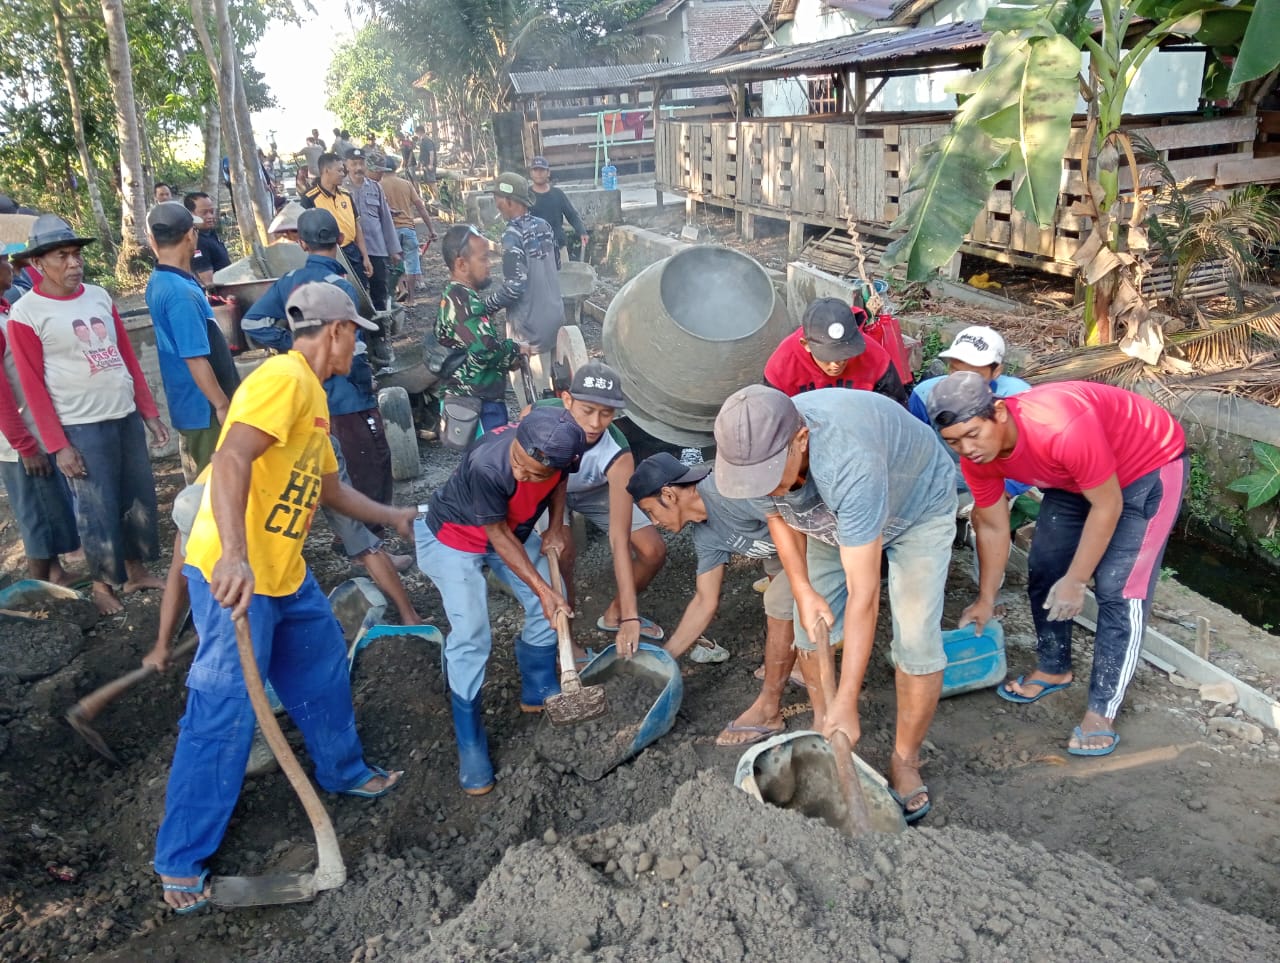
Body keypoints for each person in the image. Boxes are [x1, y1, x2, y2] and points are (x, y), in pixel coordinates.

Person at [153, 282, 408, 914]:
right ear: (337, 332)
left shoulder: (313, 400)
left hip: (284, 573)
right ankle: (180, 863)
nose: (359, 349)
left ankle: (344, 772)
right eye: (357, 336)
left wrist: (391, 515)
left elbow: (328, 491)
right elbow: (234, 456)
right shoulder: (283, 380)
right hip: (234, 576)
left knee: (321, 670)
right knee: (223, 712)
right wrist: (236, 557)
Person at [713, 385, 958, 823]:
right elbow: (777, 515)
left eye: (771, 473)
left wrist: (850, 696)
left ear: (801, 440)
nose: (762, 486)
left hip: (915, 505)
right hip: (828, 517)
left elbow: (865, 594)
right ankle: (828, 731)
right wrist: (803, 588)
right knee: (811, 626)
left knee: (916, 640)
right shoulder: (748, 461)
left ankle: (905, 760)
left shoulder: (849, 461)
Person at [928, 372, 1188, 758]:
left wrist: (1078, 580)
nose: (967, 449)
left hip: (1146, 466)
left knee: (1120, 587)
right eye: (954, 442)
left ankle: (1102, 710)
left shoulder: (1058, 426)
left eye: (973, 435)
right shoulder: (978, 459)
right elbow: (995, 526)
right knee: (1046, 564)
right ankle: (1054, 667)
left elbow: (1108, 505)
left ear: (998, 413)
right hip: (1073, 478)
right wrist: (986, 597)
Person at [415, 406, 585, 795]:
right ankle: (470, 741)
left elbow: (560, 482)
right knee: (473, 633)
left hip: (513, 528)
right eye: (520, 465)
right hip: (456, 536)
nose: (523, 475)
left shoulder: (563, 447)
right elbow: (496, 535)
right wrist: (544, 589)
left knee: (551, 613)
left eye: (533, 473)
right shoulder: (488, 464)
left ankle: (538, 687)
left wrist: (556, 526)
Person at [7, 215, 169, 615]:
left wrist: (147, 411)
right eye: (62, 255)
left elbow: (125, 357)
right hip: (79, 423)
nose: (74, 262)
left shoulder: (97, 296)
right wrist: (58, 445)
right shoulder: (27, 313)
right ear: (38, 264)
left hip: (122, 413)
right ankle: (102, 584)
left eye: (76, 253)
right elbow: (31, 385)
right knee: (96, 507)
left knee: (136, 495)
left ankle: (135, 570)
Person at [629, 453, 804, 746]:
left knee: (778, 601)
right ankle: (795, 662)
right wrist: (665, 659)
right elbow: (704, 600)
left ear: (669, 495)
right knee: (776, 578)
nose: (655, 523)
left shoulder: (729, 492)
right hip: (781, 550)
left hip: (818, 537)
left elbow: (795, 517)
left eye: (650, 511)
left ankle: (769, 708)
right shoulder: (705, 533)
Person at [241, 210, 397, 519]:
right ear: (340, 239)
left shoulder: (288, 281)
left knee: (335, 467)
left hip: (314, 396)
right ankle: (368, 537)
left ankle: (356, 538)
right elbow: (355, 349)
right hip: (348, 395)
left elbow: (251, 322)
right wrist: (367, 384)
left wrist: (294, 346)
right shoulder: (339, 286)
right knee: (369, 462)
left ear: (301, 244)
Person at [529, 362, 667, 656]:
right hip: (549, 486)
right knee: (562, 551)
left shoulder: (618, 454)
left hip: (596, 490)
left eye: (606, 414)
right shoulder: (537, 417)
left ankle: (616, 614)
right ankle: (568, 639)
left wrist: (631, 615)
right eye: (587, 411)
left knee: (653, 550)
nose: (595, 423)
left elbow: (618, 537)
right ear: (567, 400)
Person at [144, 202, 240, 484]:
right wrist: (222, 405)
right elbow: (195, 357)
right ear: (190, 236)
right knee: (215, 487)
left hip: (196, 404)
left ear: (152, 240)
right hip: (205, 409)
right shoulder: (179, 293)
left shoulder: (165, 279)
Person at [0, 276, 80, 585]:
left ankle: (55, 574)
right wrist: (25, 446)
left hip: (34, 431)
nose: (9, 264)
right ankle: (38, 595)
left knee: (49, 507)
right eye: (3, 260)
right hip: (19, 440)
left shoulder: (8, 312)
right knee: (35, 517)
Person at [436, 223, 528, 432]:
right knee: (488, 459)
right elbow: (484, 349)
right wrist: (515, 350)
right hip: (476, 403)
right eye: (483, 258)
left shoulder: (454, 295)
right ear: (462, 265)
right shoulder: (462, 300)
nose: (489, 265)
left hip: (470, 399)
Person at [486, 173, 563, 406]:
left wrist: (486, 306)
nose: (495, 202)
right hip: (553, 316)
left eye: (497, 197)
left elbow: (514, 288)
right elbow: (557, 264)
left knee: (535, 400)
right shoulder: (544, 226)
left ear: (510, 201)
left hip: (529, 326)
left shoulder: (512, 235)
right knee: (556, 389)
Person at [764, 297, 907, 406]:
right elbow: (774, 424)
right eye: (826, 357)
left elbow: (896, 411)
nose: (835, 364)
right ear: (806, 344)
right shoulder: (781, 366)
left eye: (845, 355)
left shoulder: (875, 357)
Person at [368, 155, 435, 307]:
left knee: (393, 265)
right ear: (396, 168)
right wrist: (431, 229)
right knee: (412, 264)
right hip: (408, 229)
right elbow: (420, 206)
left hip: (389, 231)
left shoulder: (378, 185)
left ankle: (399, 289)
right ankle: (411, 299)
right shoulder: (406, 184)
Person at [300, 153, 372, 295]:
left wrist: (365, 257)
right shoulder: (310, 198)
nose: (342, 174)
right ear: (327, 171)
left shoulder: (346, 195)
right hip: (326, 254)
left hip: (351, 251)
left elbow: (357, 227)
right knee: (332, 293)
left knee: (360, 290)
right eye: (339, 170)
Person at [344, 148, 399, 316]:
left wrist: (394, 249)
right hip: (351, 251)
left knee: (379, 291)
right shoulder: (340, 189)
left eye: (361, 163)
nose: (358, 168)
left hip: (376, 248)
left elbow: (386, 220)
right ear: (347, 165)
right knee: (354, 291)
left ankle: (381, 331)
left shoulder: (375, 188)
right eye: (354, 164)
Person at [528, 156, 587, 261]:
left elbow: (572, 215)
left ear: (548, 173)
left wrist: (582, 231)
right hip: (534, 249)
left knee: (564, 276)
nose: (539, 173)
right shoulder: (526, 196)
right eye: (535, 170)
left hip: (558, 246)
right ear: (531, 173)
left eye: (542, 170)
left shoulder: (557, 194)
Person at [183, 192, 231, 285]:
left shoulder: (210, 233)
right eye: (204, 213)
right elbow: (208, 283)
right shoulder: (197, 242)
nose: (210, 216)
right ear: (190, 215)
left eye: (211, 212)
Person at [416, 125, 437, 198]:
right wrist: (420, 164)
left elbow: (431, 152)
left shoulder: (427, 141)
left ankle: (437, 199)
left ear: (420, 132)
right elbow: (422, 154)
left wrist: (431, 164)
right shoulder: (422, 141)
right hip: (425, 165)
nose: (417, 135)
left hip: (429, 164)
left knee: (432, 182)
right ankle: (433, 197)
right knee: (428, 182)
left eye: (417, 133)